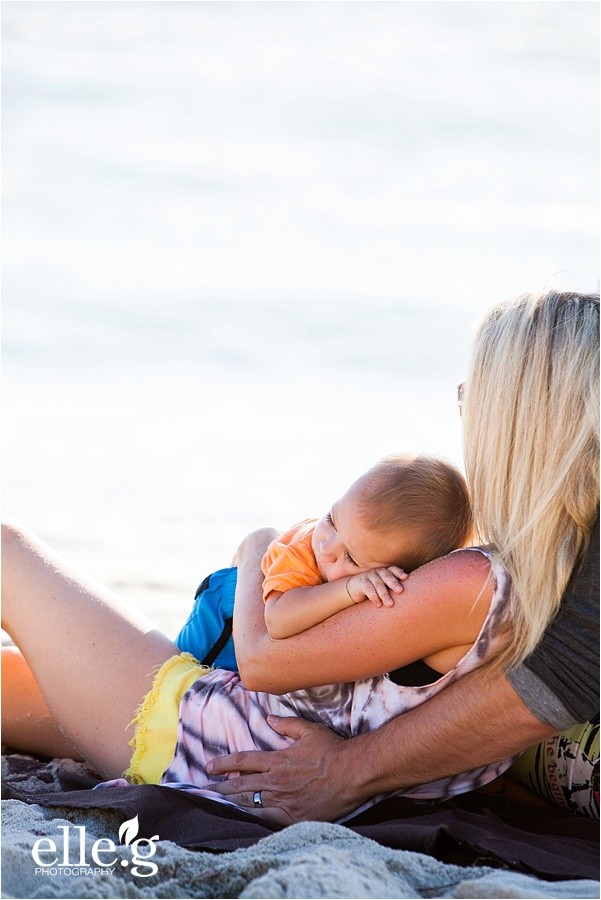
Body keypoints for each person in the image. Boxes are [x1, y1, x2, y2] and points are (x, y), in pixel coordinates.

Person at [2, 290, 598, 823]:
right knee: (21, 685)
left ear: (513, 426)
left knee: (8, 550)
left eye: (474, 395)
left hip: (199, 737)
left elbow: (263, 661)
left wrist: (256, 547)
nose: (463, 409)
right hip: (231, 739)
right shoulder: (552, 577)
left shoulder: (475, 580)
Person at [175, 453, 472, 669]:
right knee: (180, 668)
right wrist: (350, 587)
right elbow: (276, 620)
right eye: (331, 519)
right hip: (220, 620)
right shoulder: (299, 551)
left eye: (351, 557)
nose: (326, 546)